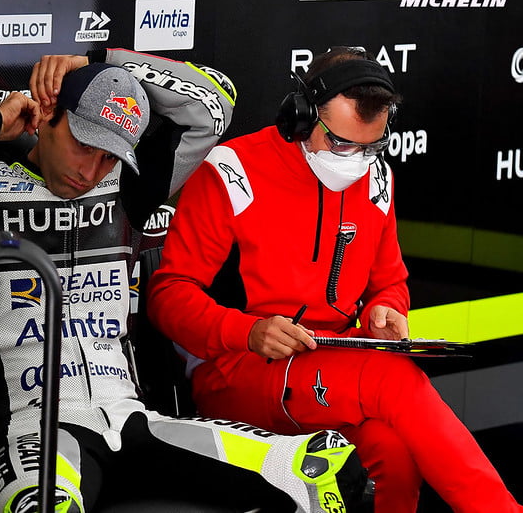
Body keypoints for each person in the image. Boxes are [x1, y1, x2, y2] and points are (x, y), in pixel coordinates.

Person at [0, 47, 373, 513]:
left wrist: (100, 59)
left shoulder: (127, 187)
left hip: (130, 420)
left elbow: (213, 104)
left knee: (326, 469)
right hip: (32, 430)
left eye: (109, 157)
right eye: (83, 145)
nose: (90, 172)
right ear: (49, 114)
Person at [147, 46, 523, 513]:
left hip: (333, 366)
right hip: (237, 369)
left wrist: (387, 309)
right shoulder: (233, 171)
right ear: (301, 118)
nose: (354, 159)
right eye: (341, 143)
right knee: (394, 381)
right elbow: (167, 296)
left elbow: (390, 282)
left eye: (370, 146)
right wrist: (249, 330)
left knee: (393, 454)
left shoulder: (375, 178)